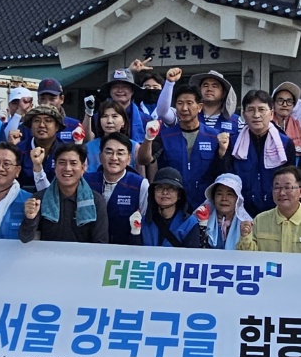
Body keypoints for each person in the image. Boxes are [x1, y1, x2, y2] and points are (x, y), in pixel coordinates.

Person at [142, 74, 230, 205]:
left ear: (199, 107)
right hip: (173, 205)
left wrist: (222, 153)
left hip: (205, 204)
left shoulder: (214, 137)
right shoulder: (165, 136)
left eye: (189, 103)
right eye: (180, 103)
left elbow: (224, 173)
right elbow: (144, 160)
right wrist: (148, 138)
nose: (184, 108)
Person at [226, 89, 297, 218]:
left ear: (271, 114)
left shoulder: (285, 143)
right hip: (241, 212)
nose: (256, 115)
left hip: (276, 211)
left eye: (261, 109)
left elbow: (291, 180)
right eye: (251, 110)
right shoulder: (233, 143)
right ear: (244, 114)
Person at [19, 144, 109, 243]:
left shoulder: (96, 201)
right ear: (55, 167)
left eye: (73, 163)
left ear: (83, 168)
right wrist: (30, 219)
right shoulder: (39, 199)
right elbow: (25, 238)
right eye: (62, 163)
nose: (67, 168)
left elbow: (101, 243)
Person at [238, 166, 301, 254]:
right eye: (277, 188)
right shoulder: (259, 221)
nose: (282, 193)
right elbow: (248, 259)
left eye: (288, 187)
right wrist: (245, 236)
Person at [85, 133, 149, 244]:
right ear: (100, 156)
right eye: (109, 152)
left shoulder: (140, 184)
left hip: (126, 248)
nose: (114, 158)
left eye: (120, 153)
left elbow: (146, 222)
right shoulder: (86, 182)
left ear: (129, 159)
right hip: (91, 247)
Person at [191, 174, 253, 251]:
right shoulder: (199, 219)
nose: (224, 198)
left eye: (229, 194)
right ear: (213, 197)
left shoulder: (247, 224)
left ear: (237, 199)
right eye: (219, 194)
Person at [139, 167, 198, 247]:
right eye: (160, 188)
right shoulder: (142, 222)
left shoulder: (190, 223)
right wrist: (135, 232)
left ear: (179, 194)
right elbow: (134, 252)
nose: (165, 192)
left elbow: (192, 254)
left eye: (171, 188)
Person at [94, 67, 152, 143]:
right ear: (110, 91)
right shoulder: (97, 117)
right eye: (115, 87)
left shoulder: (146, 119)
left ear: (132, 91)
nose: (120, 90)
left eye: (125, 87)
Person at [18, 104, 69, 188]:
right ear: (30, 126)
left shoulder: (66, 151)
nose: (41, 125)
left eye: (48, 121)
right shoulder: (18, 150)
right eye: (37, 121)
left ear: (57, 127)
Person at [84, 101, 134, 174]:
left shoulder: (135, 147)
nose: (109, 121)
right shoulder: (88, 147)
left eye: (114, 116)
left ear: (123, 121)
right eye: (105, 116)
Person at [271, 81, 301, 153]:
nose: (284, 104)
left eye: (289, 101)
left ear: (293, 105)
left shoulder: (300, 128)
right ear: (273, 103)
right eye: (280, 100)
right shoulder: (265, 126)